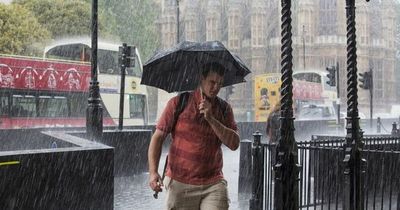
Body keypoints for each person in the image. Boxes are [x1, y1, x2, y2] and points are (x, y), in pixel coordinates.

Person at [148, 62, 240, 210]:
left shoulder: (224, 109)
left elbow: (234, 144)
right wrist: (153, 172)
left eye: (220, 84)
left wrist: (211, 119)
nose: (216, 87)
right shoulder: (178, 103)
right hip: (180, 182)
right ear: (201, 79)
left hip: (213, 183)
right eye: (212, 82)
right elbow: (158, 137)